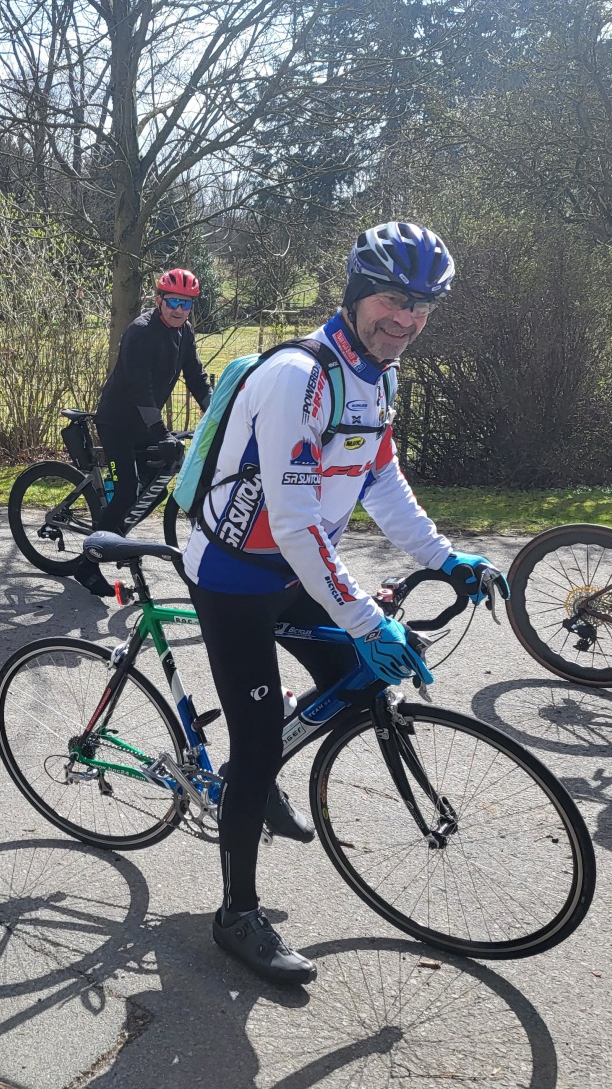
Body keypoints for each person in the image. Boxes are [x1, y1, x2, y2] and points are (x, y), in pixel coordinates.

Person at [183, 221, 502, 985]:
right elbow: (295, 522)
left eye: (423, 306)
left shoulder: (377, 377)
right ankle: (236, 915)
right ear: (357, 293)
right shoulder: (301, 378)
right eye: (394, 299)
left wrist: (443, 557)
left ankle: (264, 765)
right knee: (256, 748)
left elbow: (381, 484)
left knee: (349, 681)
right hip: (233, 577)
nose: (408, 319)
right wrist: (365, 616)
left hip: (294, 571)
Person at [80, 268, 212, 594]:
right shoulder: (140, 332)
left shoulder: (184, 333)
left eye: (186, 303)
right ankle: (87, 565)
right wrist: (162, 433)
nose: (179, 309)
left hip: (144, 424)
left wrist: (216, 412)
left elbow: (196, 376)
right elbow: (139, 389)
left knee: (154, 491)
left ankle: (114, 536)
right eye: (173, 301)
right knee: (127, 491)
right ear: (159, 300)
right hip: (117, 422)